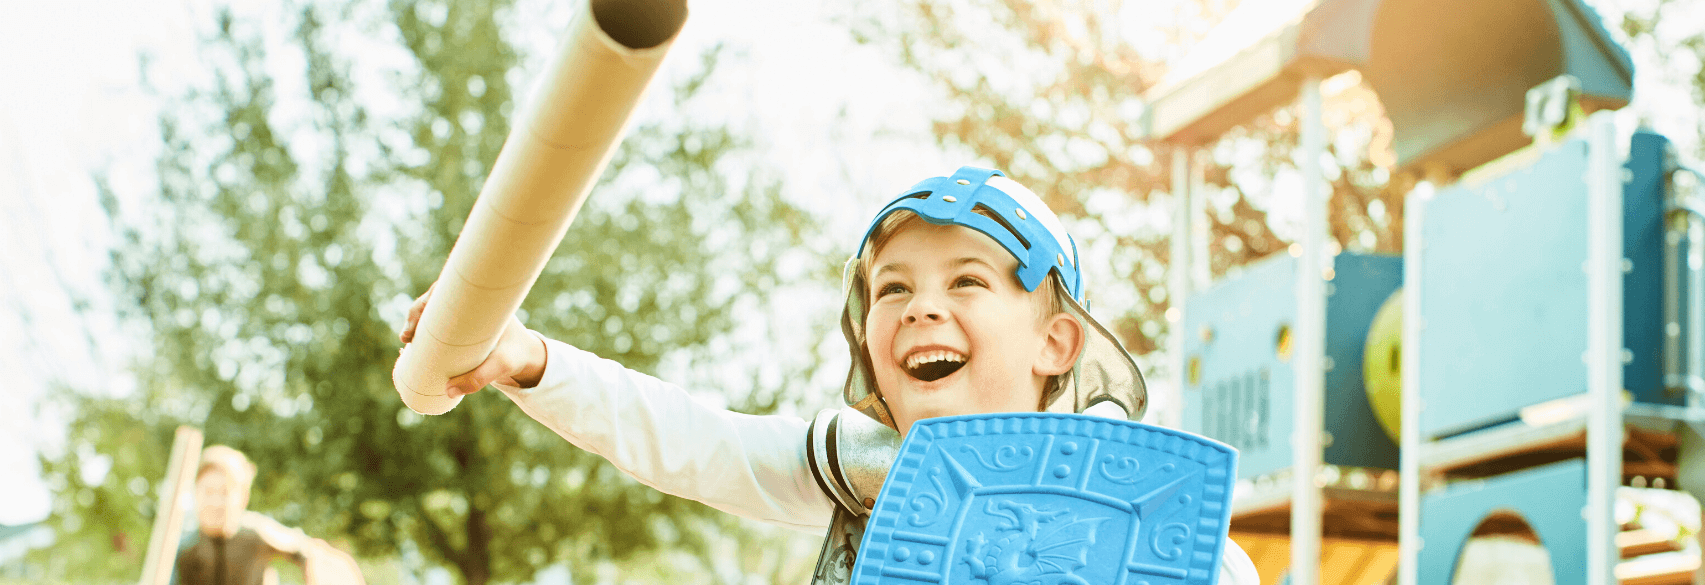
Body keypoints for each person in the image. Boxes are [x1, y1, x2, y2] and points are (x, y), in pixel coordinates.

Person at [400, 167, 1259, 584]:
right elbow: (698, 442)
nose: (922, 307)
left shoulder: (1141, 514)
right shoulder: (863, 471)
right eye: (894, 288)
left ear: (1059, 344)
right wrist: (531, 360)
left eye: (966, 279)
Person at [175, 446, 363, 585]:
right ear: (195, 493)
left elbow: (310, 551)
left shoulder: (257, 534)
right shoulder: (183, 549)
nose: (216, 502)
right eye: (208, 492)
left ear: (243, 496)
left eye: (225, 492)